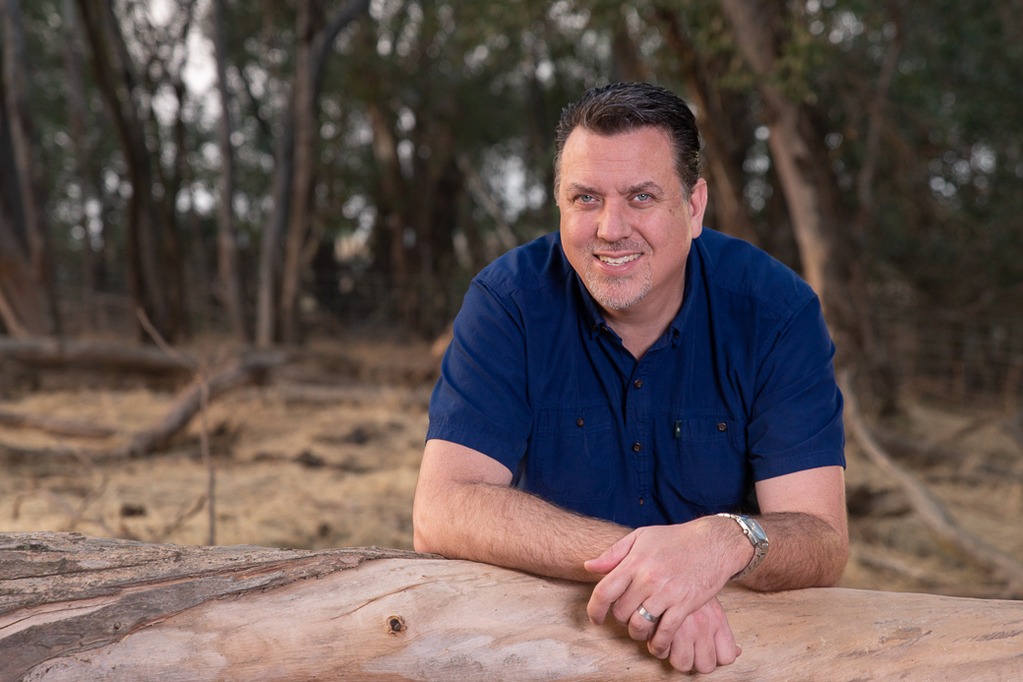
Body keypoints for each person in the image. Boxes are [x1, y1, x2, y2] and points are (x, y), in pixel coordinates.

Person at [413, 81, 848, 674]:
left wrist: (723, 543)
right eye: (585, 198)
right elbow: (441, 508)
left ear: (693, 208)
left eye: (641, 197)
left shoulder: (775, 312)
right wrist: (660, 572)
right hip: (551, 644)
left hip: (730, 653)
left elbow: (823, 541)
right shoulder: (508, 302)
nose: (610, 228)